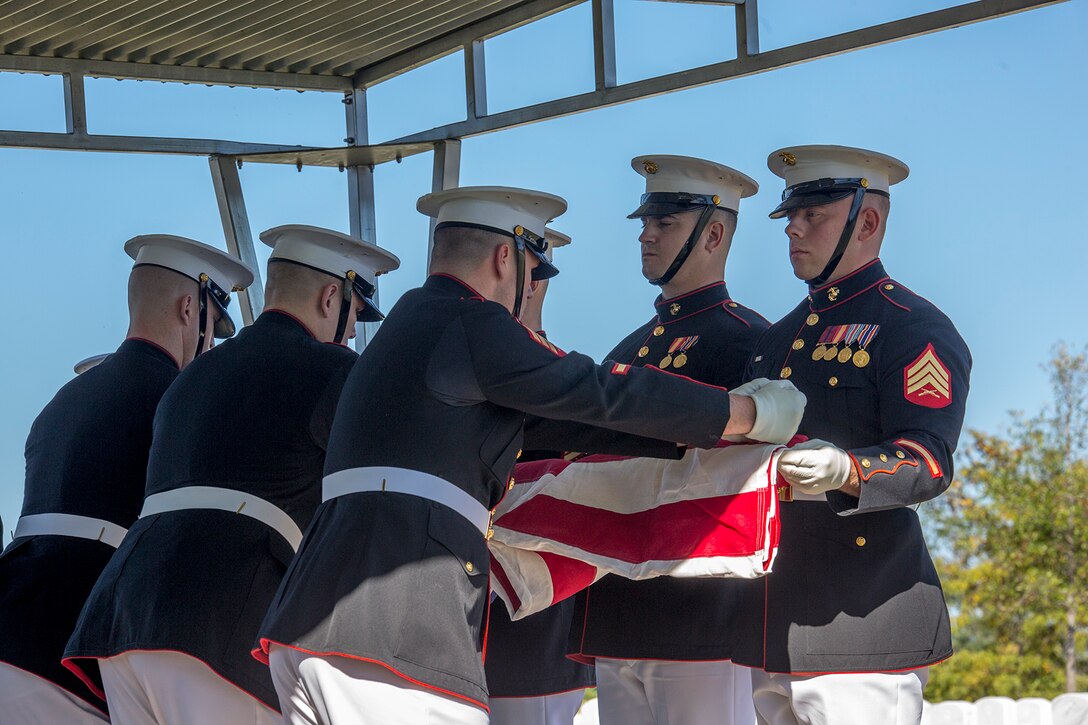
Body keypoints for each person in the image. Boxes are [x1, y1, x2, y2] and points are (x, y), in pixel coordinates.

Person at [255, 185, 805, 725]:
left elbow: (570, 421)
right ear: (505, 258)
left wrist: (704, 431)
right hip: (393, 631)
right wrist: (743, 414)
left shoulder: (409, 330)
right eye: (534, 270)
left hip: (311, 624)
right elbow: (592, 391)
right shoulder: (472, 321)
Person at [63, 225, 400, 724]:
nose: (352, 332)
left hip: (122, 619)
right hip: (219, 624)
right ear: (332, 297)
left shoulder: (191, 376)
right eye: (354, 315)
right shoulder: (337, 371)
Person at [732, 145, 972, 725]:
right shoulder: (776, 339)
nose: (793, 226)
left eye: (814, 213)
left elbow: (929, 459)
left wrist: (849, 469)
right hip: (772, 614)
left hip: (863, 614)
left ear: (868, 221)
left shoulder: (913, 327)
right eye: (792, 214)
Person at [0, 235, 253, 723]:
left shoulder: (65, 398)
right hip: (63, 652)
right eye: (212, 331)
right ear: (188, 308)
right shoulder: (180, 400)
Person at [567, 154, 765, 725]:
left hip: (701, 612)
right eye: (645, 225)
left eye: (666, 224)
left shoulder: (748, 342)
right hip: (622, 608)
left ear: (716, 232)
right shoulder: (626, 351)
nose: (647, 236)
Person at [484, 227, 597, 725]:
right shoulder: (462, 371)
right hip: (450, 647)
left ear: (528, 280)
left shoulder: (569, 385)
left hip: (531, 649)